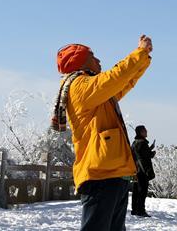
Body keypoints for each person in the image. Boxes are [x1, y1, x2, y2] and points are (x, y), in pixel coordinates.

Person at [54, 35, 152, 231]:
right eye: (93, 56)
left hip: (112, 174)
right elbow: (114, 77)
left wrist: (143, 58)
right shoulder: (80, 86)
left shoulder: (94, 90)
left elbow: (124, 82)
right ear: (79, 61)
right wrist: (139, 53)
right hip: (101, 176)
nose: (99, 60)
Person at [130, 125, 156, 217]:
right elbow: (145, 157)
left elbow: (137, 155)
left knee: (136, 190)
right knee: (142, 191)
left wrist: (150, 149)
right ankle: (141, 210)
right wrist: (152, 153)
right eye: (145, 130)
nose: (146, 131)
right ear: (141, 132)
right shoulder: (143, 143)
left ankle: (134, 209)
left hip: (136, 170)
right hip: (143, 171)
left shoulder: (134, 143)